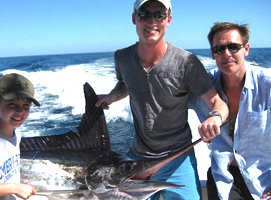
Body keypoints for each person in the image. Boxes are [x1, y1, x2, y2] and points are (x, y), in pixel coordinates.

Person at [95, 0, 229, 199]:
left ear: (168, 20)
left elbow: (219, 104)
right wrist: (112, 96)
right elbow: (125, 82)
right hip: (137, 159)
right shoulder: (122, 58)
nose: (152, 21)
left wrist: (215, 117)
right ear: (134, 18)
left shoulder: (187, 63)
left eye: (159, 15)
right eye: (144, 15)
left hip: (178, 157)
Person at [189, 22, 271, 200]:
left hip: (264, 178)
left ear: (246, 49)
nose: (226, 54)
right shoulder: (203, 89)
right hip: (223, 177)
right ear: (213, 54)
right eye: (219, 49)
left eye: (233, 47)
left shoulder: (268, 85)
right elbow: (166, 98)